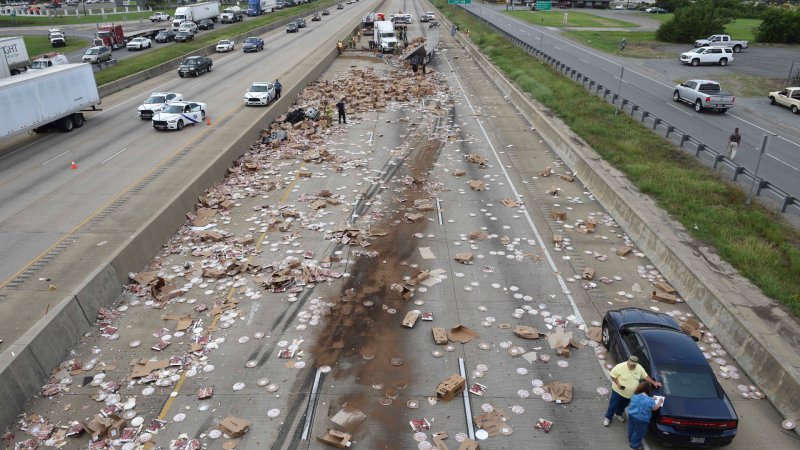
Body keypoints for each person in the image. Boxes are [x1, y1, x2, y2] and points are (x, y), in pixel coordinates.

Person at [604, 356, 662, 427]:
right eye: (631, 364)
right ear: (628, 361)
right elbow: (612, 375)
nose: (632, 366)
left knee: (623, 406)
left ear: (636, 364)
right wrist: (618, 384)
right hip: (618, 392)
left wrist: (654, 383)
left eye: (634, 365)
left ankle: (618, 414)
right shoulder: (620, 366)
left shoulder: (639, 368)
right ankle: (608, 417)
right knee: (613, 405)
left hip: (630, 395)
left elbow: (645, 376)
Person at [627, 383, 664, 450]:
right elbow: (654, 408)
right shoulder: (650, 400)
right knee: (638, 432)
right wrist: (659, 402)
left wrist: (652, 398)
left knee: (631, 427)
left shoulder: (635, 395)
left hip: (631, 414)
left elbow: (642, 399)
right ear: (648, 390)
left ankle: (630, 439)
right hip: (642, 419)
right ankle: (634, 446)